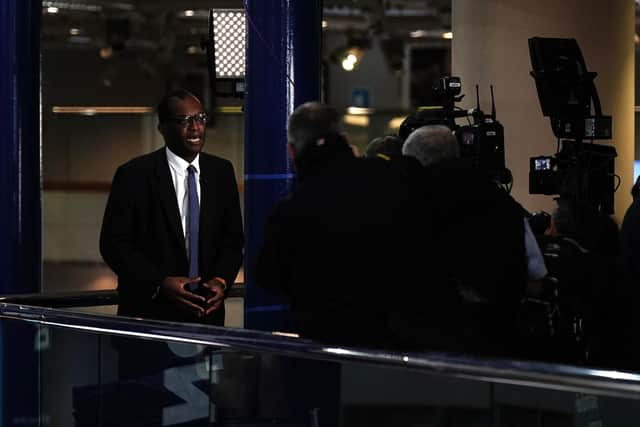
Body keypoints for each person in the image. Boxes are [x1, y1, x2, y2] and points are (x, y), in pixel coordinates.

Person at [256, 102, 427, 348]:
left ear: (292, 152)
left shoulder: (290, 212)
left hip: (327, 350)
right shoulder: (391, 179)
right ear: (345, 139)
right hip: (402, 346)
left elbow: (269, 276)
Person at [100, 89, 243, 325]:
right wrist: (160, 282)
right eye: (184, 121)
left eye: (200, 118)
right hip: (149, 315)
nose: (195, 128)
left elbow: (233, 240)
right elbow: (113, 245)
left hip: (206, 316)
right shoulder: (134, 175)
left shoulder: (222, 172)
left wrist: (221, 281)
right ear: (162, 129)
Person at [402, 125, 528, 357]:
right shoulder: (501, 200)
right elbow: (534, 269)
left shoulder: (412, 202)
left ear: (414, 161)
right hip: (499, 334)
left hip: (432, 335)